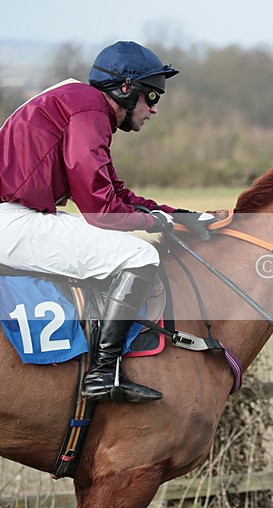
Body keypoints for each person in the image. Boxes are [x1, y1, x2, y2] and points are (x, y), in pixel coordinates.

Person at [0, 41, 214, 403]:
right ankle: (102, 374)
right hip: (12, 220)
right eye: (152, 96)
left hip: (16, 215)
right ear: (125, 89)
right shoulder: (88, 110)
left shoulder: (80, 104)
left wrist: (176, 215)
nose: (154, 109)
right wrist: (155, 225)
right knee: (139, 257)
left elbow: (114, 192)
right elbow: (101, 212)